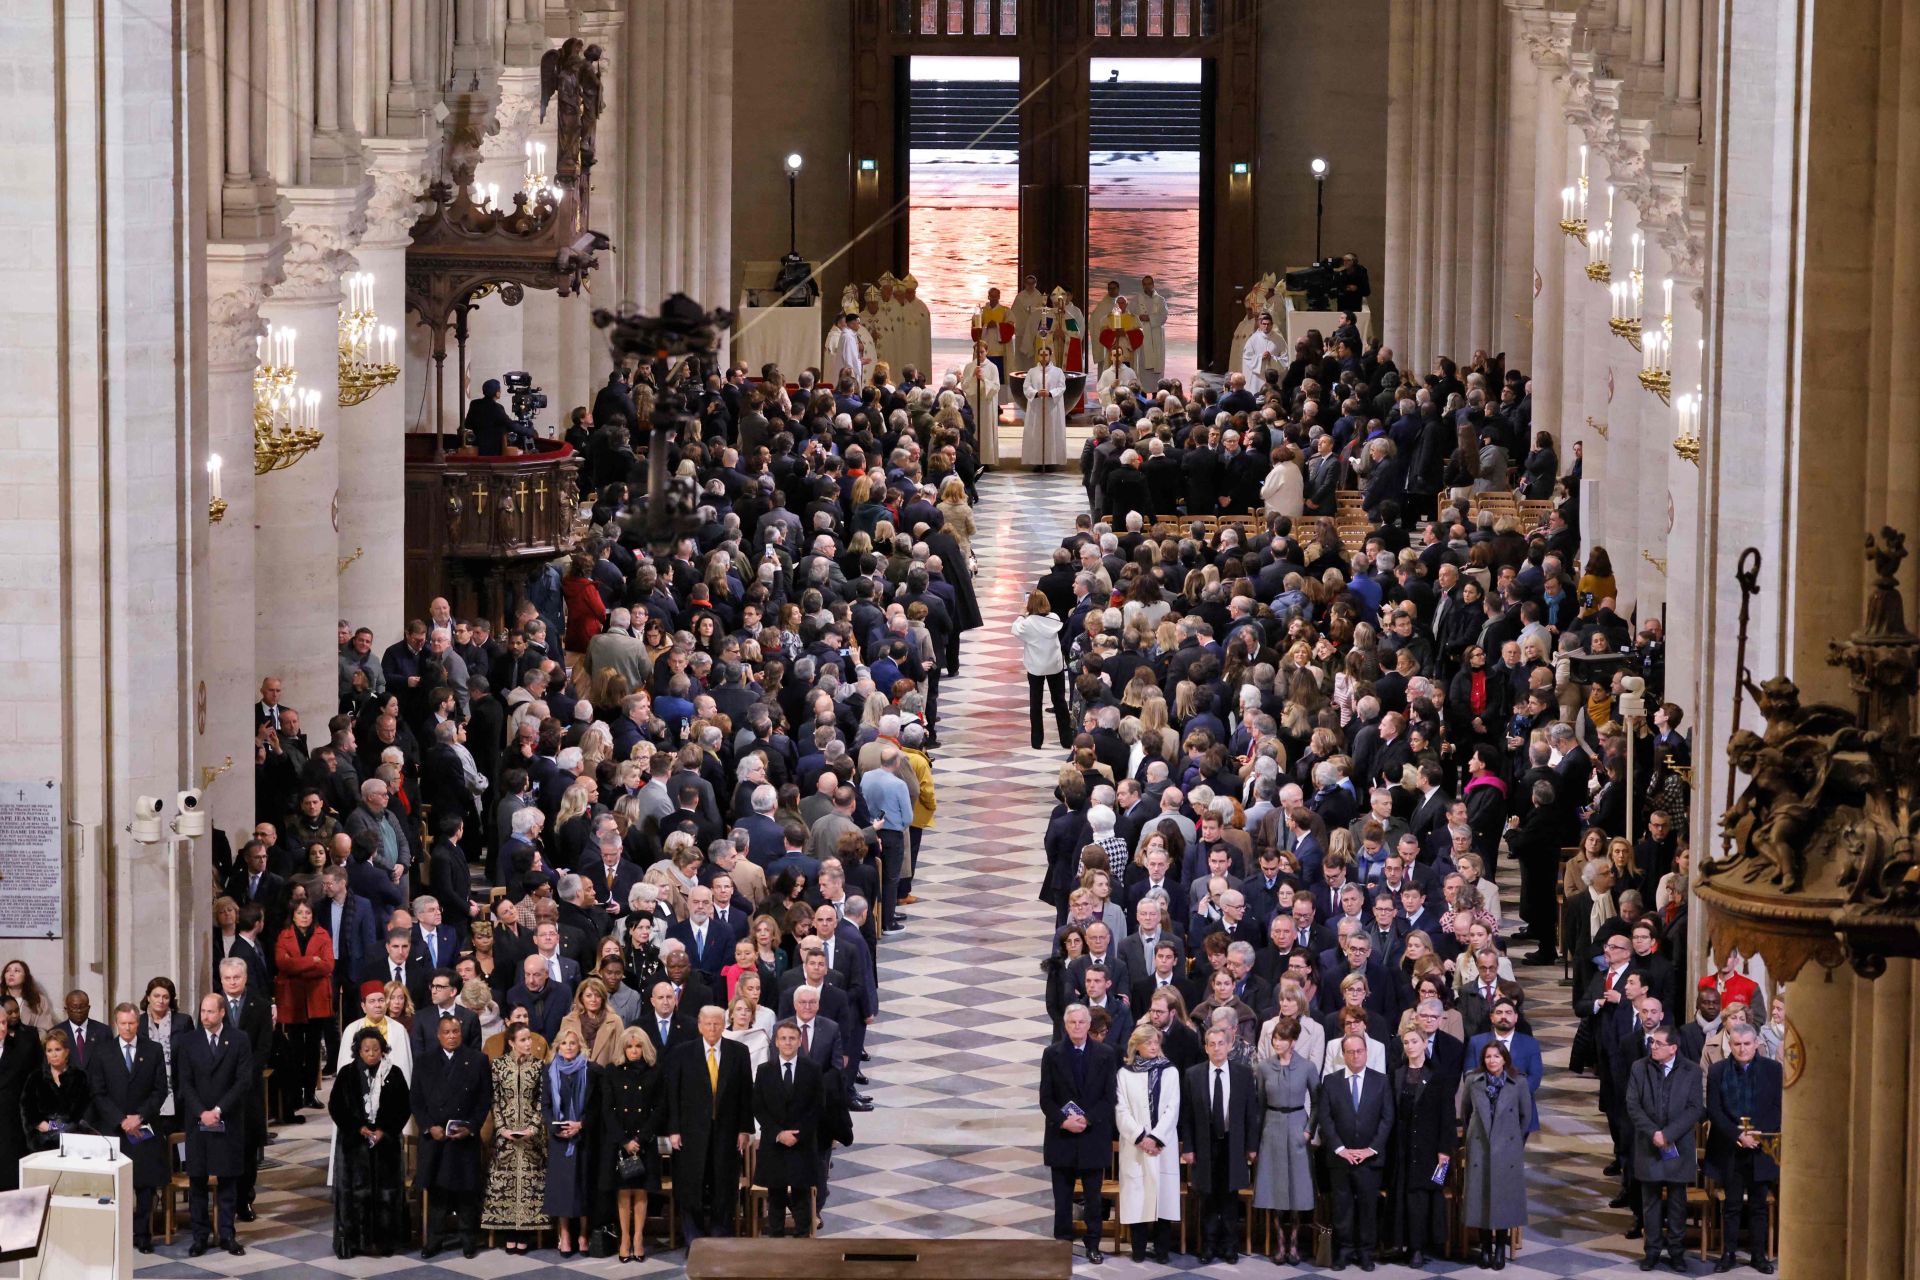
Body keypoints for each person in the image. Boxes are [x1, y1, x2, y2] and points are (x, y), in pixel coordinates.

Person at [661, 1005, 755, 1240]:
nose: (712, 1028)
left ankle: (720, 1235)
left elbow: (746, 1093)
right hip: (691, 1132)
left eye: (717, 1023)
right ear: (699, 1025)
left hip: (727, 1131)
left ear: (724, 1025)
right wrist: (673, 1129)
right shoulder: (682, 1052)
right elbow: (672, 1093)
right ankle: (693, 1237)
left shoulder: (739, 1052)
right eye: (708, 1023)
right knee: (690, 1184)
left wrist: (745, 1129)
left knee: (723, 1184)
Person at [1040, 1003, 1119, 1264]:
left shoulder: (1106, 1054)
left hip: (1092, 1136)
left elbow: (1109, 1098)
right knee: (1062, 1199)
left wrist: (1086, 1119)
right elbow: (1046, 1098)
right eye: (1072, 1023)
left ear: (1089, 1025)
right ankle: (1062, 1245)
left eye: (1081, 1022)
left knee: (1093, 1199)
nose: (1077, 1027)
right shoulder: (1051, 1054)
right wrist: (1064, 1122)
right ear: (1065, 1025)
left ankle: (1093, 1245)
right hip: (1062, 1137)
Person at [87, 1003, 169, 1253]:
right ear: (116, 1023)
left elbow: (160, 1090)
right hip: (115, 1131)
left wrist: (140, 1116)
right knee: (115, 1186)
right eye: (123, 1023)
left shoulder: (153, 1050)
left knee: (144, 1185)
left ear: (138, 1023)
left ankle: (142, 1234)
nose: (127, 1028)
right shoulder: (103, 1052)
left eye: (132, 1023)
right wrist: (121, 1120)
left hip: (143, 1129)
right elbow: (98, 1093)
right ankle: (117, 1234)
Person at [177, 991, 252, 1257]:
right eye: (203, 1011)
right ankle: (200, 1236)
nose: (205, 1016)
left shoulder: (239, 1039)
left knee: (228, 1181)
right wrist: (202, 1112)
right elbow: (184, 1082)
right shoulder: (188, 1042)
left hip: (227, 1119)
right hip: (198, 1121)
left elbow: (243, 1080)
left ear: (222, 1013)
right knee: (197, 1180)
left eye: (210, 1011)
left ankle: (227, 1235)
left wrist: (219, 1110)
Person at [1179, 1022, 1260, 1265]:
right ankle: (1208, 1246)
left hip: (1233, 1144)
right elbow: (1188, 1116)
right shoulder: (1193, 1075)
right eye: (1211, 1044)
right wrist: (1189, 1148)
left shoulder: (1243, 1074)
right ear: (1205, 1048)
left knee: (1229, 1197)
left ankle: (1230, 1247)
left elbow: (1250, 1114)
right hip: (1205, 1145)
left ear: (1229, 1045)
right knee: (1208, 1197)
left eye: (1221, 1044)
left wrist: (1251, 1146)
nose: (1217, 1049)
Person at [414, 1013, 494, 1259]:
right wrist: (429, 1127)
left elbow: (484, 1099)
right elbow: (416, 1100)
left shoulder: (477, 1060)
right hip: (435, 1139)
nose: (451, 1036)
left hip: (463, 1137)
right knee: (437, 1191)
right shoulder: (424, 1061)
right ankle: (434, 1240)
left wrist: (470, 1127)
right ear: (438, 1036)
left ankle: (468, 1239)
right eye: (446, 1032)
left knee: (466, 1191)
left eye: (456, 1032)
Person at [327, 1026, 411, 1259]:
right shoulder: (347, 1073)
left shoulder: (394, 1074)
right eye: (366, 1049)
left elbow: (403, 1106)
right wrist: (358, 1128)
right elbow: (336, 1106)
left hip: (386, 1143)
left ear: (382, 1050)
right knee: (354, 1194)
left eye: (376, 1049)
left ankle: (385, 1242)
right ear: (358, 1051)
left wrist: (385, 1129)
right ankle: (352, 1242)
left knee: (386, 1194)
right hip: (355, 1144)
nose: (372, 1053)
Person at [1626, 1025, 1704, 1273]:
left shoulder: (1691, 1070)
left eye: (1658, 1043)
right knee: (1650, 1202)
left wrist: (1668, 1134)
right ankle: (1651, 1250)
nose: (1653, 1047)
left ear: (1673, 1048)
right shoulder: (1640, 1067)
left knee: (1677, 1202)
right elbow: (1633, 1105)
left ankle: (1677, 1252)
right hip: (1648, 1144)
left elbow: (1695, 1108)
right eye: (1651, 1043)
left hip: (1678, 1145)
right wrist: (1654, 1133)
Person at [1705, 1022, 1781, 1274]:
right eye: (1737, 1044)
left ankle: (1758, 1256)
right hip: (1729, 1147)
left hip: (1762, 1147)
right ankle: (1728, 1254)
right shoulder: (1717, 1071)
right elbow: (1714, 1110)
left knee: (1759, 1205)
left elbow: (1778, 1107)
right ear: (1731, 1044)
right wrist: (1738, 1135)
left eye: (1747, 1044)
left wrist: (1759, 1134)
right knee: (1732, 1204)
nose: (1742, 1049)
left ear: (1756, 1044)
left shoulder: (1773, 1070)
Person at [1321, 1031, 1394, 1271]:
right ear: (1343, 1055)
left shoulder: (1381, 1080)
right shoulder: (1331, 1081)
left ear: (1366, 1053)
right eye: (1350, 1051)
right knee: (1342, 1207)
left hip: (1369, 1158)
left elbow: (1387, 1119)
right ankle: (1343, 1251)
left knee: (1367, 1207)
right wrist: (1340, 1149)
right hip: (1340, 1158)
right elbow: (1326, 1118)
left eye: (1359, 1051)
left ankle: (1365, 1252)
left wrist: (1370, 1149)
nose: (1355, 1055)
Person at [1456, 1038, 1531, 1268]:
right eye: (1488, 1056)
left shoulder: (1517, 1082)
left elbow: (1525, 1117)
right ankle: (1485, 1248)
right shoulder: (1472, 1080)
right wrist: (1473, 1138)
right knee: (1480, 1198)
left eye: (1496, 1056)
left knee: (1504, 1199)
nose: (1492, 1060)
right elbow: (1466, 1112)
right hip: (1479, 1147)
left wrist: (1513, 1141)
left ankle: (1500, 1247)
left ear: (1504, 1059)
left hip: (1507, 1149)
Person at [1253, 1017, 1319, 1266]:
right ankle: (1280, 1243)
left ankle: (1294, 1243)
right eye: (1275, 1038)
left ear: (1293, 1042)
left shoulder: (1307, 1067)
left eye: (1281, 1039)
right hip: (1272, 1125)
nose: (1277, 1043)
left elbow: (1317, 1101)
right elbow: (1259, 1104)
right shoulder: (1264, 1068)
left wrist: (1308, 1131)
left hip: (1297, 1124)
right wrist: (1257, 1138)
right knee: (1276, 1187)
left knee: (1297, 1188)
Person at [1389, 1026, 1456, 1267]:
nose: (1409, 1046)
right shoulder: (1397, 1074)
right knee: (1404, 1194)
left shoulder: (1438, 1075)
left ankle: (1419, 1247)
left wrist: (1444, 1150)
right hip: (1403, 1144)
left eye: (1414, 1041)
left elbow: (1447, 1115)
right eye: (1406, 1042)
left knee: (1423, 1196)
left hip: (1429, 1147)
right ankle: (1403, 1243)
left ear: (1424, 1044)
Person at [1114, 1024, 1181, 1264]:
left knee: (1163, 1198)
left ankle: (1162, 1251)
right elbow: (1121, 1110)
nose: (1153, 1047)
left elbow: (1173, 1108)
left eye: (1156, 1042)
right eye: (1149, 1043)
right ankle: (1139, 1250)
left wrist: (1156, 1138)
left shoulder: (1170, 1070)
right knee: (1138, 1198)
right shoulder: (1125, 1073)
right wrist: (1141, 1137)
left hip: (1163, 1146)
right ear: (1137, 1046)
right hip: (1136, 1147)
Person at [481, 1021, 547, 1254]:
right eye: (523, 1039)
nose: (529, 1043)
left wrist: (533, 1127)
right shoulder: (498, 1066)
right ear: (511, 1042)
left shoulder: (539, 1066)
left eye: (529, 1038)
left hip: (531, 1135)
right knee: (506, 1182)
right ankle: (509, 1231)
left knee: (529, 1183)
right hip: (505, 1135)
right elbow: (495, 1099)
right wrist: (502, 1128)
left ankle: (526, 1233)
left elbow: (542, 1100)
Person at [754, 1020, 824, 1237]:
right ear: (776, 1042)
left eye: (792, 1038)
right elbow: (758, 1106)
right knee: (775, 1195)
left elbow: (817, 1106)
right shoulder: (765, 1070)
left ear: (799, 1041)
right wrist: (778, 1133)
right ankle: (776, 1242)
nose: (787, 1042)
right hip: (774, 1144)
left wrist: (798, 1135)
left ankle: (802, 1240)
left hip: (801, 1144)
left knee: (802, 1195)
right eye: (783, 1038)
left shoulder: (812, 1070)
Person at [603, 1026, 662, 1262]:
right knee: (623, 1191)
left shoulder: (654, 1072)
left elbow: (659, 1108)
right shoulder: (612, 1071)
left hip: (644, 1139)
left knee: (641, 1190)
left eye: (638, 1046)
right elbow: (607, 1109)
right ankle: (624, 1238)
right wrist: (625, 1140)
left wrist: (640, 1138)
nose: (634, 1050)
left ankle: (638, 1237)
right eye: (629, 1046)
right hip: (620, 1140)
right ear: (623, 1048)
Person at [273, 899, 335, 1120]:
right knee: (296, 1050)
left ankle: (310, 1093)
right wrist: (312, 961)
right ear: (294, 915)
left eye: (307, 912)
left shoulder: (322, 934)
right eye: (300, 913)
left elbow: (328, 965)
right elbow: (282, 964)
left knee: (312, 1051)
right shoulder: (284, 935)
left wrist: (298, 965)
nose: (304, 916)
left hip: (316, 998)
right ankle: (296, 1093)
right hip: (293, 1001)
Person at [544, 1025, 599, 1256]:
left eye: (573, 1043)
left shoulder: (592, 1070)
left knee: (584, 1185)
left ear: (580, 1047)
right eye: (564, 1043)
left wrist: (581, 1124)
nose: (568, 1047)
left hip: (584, 1138)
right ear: (558, 1046)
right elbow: (545, 1105)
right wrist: (554, 1128)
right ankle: (564, 1234)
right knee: (562, 1189)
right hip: (559, 1140)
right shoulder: (548, 1071)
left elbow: (597, 1106)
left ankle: (583, 1234)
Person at [1015, 590, 1069, 750]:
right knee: (1059, 701)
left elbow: (1015, 629)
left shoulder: (1027, 623)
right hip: (1054, 664)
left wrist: (1020, 614)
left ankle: (1037, 741)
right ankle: (1066, 739)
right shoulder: (1054, 618)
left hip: (1035, 666)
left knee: (1035, 702)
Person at [22, 1027, 90, 1151]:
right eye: (49, 1050)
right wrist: (43, 1125)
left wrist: (65, 1128)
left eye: (58, 1049)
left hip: (73, 1140)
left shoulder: (80, 1077)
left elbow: (83, 1111)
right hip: (42, 1141)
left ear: (67, 1051)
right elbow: (27, 1109)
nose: (53, 1054)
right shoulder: (35, 1077)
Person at [1023, 342, 1068, 469]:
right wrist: (1036, 393)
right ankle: (1037, 461)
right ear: (1038, 356)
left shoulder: (1058, 371)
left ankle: (1051, 461)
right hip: (1037, 407)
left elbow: (1062, 386)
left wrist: (1050, 393)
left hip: (1051, 408)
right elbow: (1026, 387)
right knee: (1036, 433)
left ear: (1050, 355)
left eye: (1046, 355)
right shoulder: (1032, 372)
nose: (1043, 357)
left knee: (1052, 434)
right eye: (1041, 355)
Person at [467, 378, 528, 456]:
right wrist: (529, 431)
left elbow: (467, 424)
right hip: (494, 452)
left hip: (477, 447)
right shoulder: (497, 408)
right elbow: (511, 426)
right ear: (497, 393)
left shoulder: (474, 404)